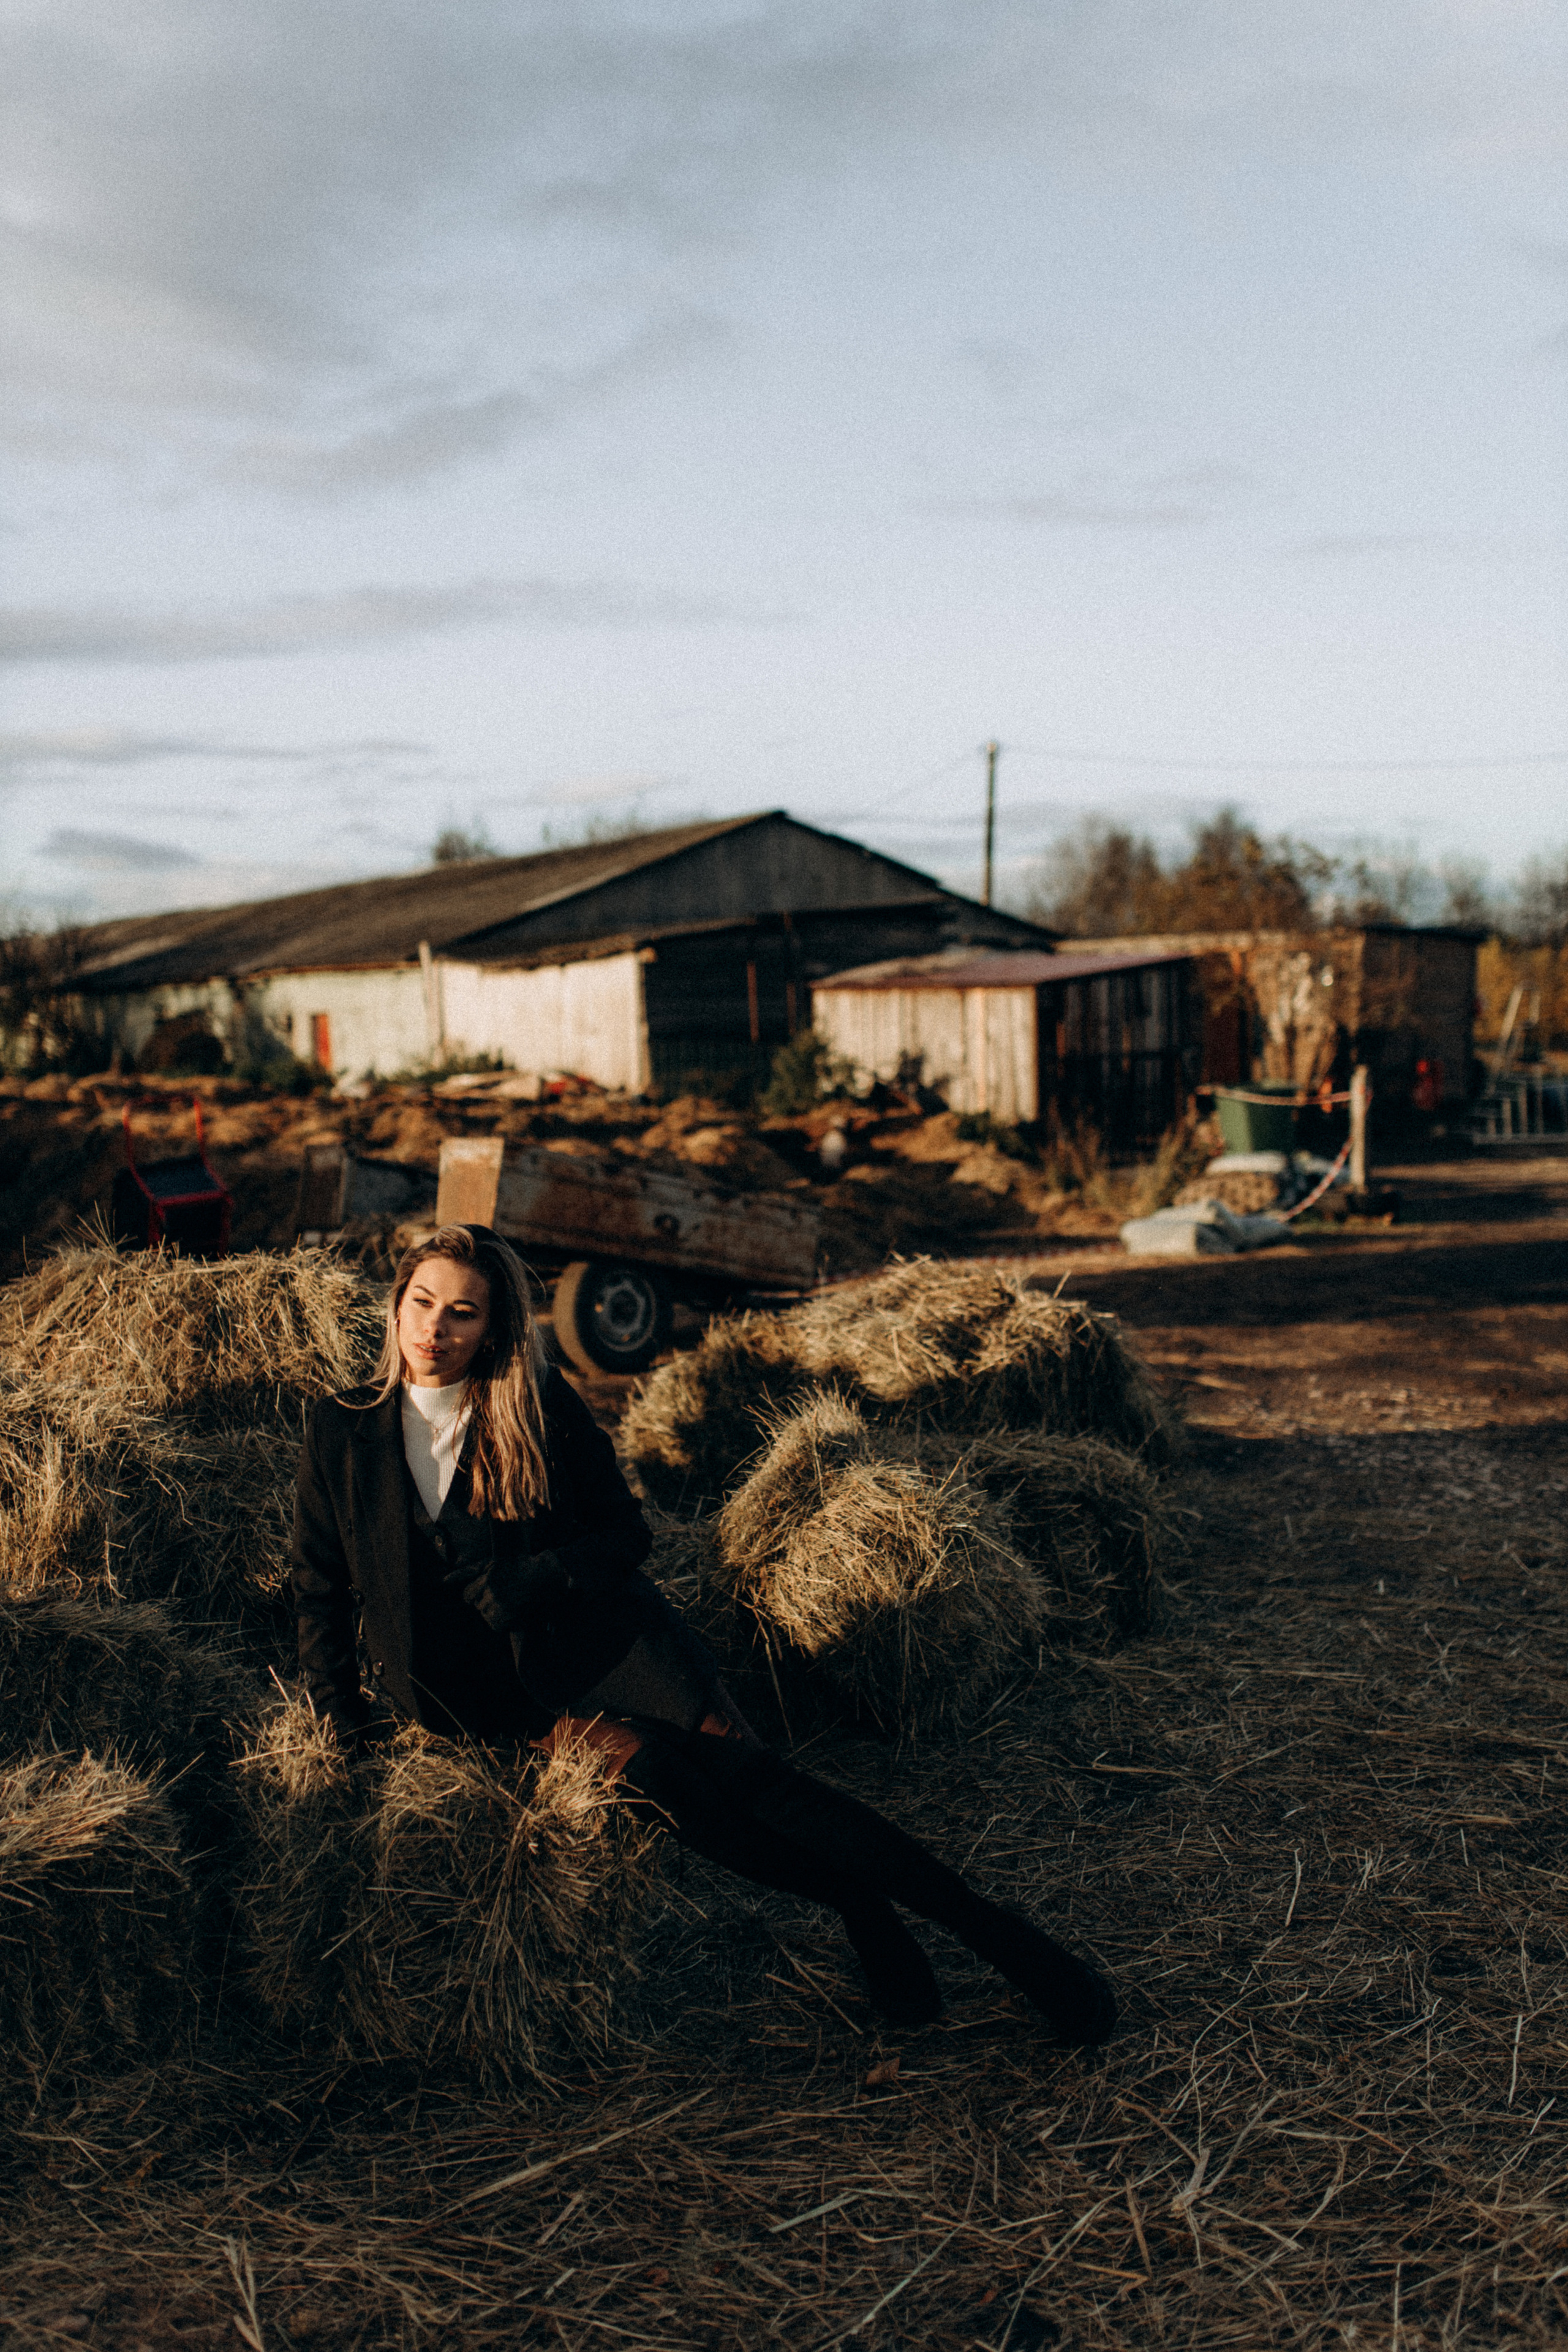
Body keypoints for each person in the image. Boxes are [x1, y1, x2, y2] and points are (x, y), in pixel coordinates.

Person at [292, 1223, 1116, 2043]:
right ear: (396, 1305)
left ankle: (1011, 1947)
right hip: (489, 1694)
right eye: (423, 1303)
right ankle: (857, 1902)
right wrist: (341, 1724)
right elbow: (321, 1590)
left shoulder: (537, 1404)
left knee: (762, 1783)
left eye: (463, 1313)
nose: (435, 1329)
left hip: (607, 1645)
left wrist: (540, 1575)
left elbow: (625, 1533)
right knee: (681, 1795)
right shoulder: (343, 1429)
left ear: (494, 1326)